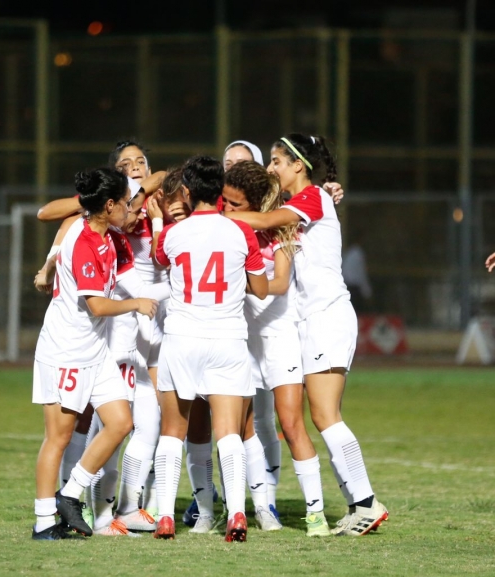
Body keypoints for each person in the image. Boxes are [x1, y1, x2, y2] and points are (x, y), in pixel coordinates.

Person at [232, 134, 388, 537]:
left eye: (277, 161)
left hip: (328, 316)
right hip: (310, 321)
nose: (271, 168)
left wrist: (214, 220)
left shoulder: (314, 197)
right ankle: (359, 504)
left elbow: (264, 221)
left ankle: (367, 502)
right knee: (322, 417)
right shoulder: (296, 202)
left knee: (324, 415)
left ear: (298, 165)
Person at [31, 167, 157, 540]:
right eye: (126, 203)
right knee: (59, 437)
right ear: (108, 205)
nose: (131, 210)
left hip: (94, 350)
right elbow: (98, 306)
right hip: (65, 351)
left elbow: (140, 195)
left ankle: (69, 496)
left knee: (121, 423)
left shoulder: (110, 235)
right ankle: (43, 523)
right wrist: (136, 304)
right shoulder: (83, 240)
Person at [151, 155, 268, 542]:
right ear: (221, 192)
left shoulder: (174, 233)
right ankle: (236, 514)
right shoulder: (240, 232)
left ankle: (165, 516)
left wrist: (158, 220)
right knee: (228, 433)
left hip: (181, 338)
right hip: (227, 340)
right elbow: (262, 290)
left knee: (172, 431)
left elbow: (159, 258)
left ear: (186, 192)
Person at [223, 160, 328, 535]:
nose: (228, 209)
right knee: (243, 425)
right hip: (241, 336)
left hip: (280, 334)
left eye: (236, 204)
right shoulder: (226, 225)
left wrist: (251, 284)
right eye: (226, 202)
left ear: (254, 203)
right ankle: (261, 508)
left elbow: (281, 283)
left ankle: (316, 514)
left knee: (291, 421)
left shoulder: (281, 227)